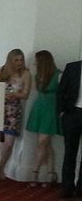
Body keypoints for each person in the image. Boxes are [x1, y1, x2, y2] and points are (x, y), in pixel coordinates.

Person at [0, 49, 32, 181]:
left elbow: (25, 94)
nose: (20, 62)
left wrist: (14, 95)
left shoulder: (25, 73)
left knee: (9, 142)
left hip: (13, 110)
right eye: (16, 60)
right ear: (10, 60)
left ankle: (2, 166)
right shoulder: (0, 71)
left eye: (21, 60)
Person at [25, 50, 61, 187]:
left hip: (51, 110)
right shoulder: (38, 75)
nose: (35, 63)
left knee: (42, 141)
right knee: (47, 143)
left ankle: (35, 172)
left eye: (37, 61)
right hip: (40, 107)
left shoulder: (58, 75)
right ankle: (51, 172)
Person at [57, 55, 82, 198]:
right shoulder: (72, 67)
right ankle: (67, 187)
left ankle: (81, 188)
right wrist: (62, 112)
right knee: (69, 152)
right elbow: (61, 91)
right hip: (73, 113)